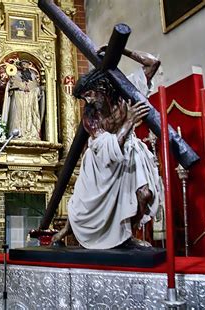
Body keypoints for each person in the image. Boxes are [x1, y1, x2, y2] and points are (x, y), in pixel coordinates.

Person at [52, 48, 163, 249]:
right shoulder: (91, 117)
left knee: (145, 194)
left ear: (100, 86)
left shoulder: (123, 92)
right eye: (84, 98)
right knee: (85, 204)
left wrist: (123, 51)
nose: (88, 101)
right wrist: (128, 122)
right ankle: (68, 229)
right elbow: (106, 147)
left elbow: (153, 63)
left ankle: (129, 234)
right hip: (100, 158)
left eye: (90, 95)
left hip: (129, 151)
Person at [1, 60, 45, 140]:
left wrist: (34, 90)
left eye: (25, 64)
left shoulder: (33, 75)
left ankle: (32, 133)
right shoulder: (16, 74)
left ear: (29, 65)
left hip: (30, 102)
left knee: (31, 117)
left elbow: (37, 89)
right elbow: (11, 88)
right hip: (19, 99)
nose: (24, 65)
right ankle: (17, 133)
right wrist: (17, 85)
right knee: (17, 115)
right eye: (22, 64)